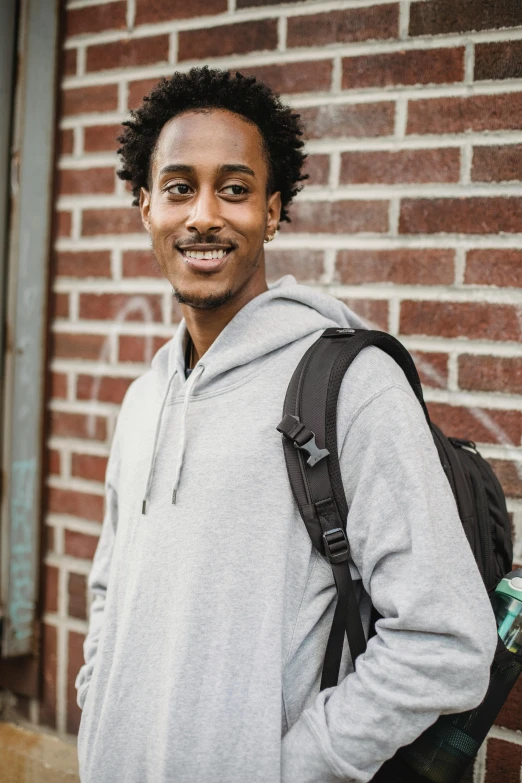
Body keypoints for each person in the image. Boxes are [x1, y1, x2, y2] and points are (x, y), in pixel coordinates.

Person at [75, 67, 497, 783]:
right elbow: (111, 591)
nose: (203, 214)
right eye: (180, 187)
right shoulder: (144, 398)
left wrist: (293, 767)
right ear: (145, 206)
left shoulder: (350, 386)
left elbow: (444, 636)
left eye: (234, 189)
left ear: (272, 211)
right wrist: (99, 714)